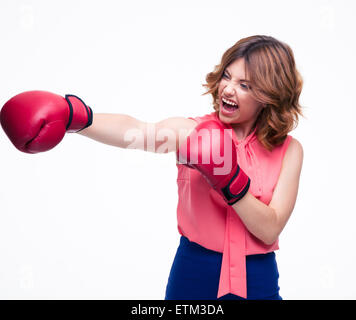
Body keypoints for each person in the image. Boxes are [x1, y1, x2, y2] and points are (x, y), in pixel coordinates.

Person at [0, 35, 303, 300]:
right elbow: (138, 132)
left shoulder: (289, 150)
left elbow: (270, 228)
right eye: (227, 76)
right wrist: (77, 117)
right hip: (194, 272)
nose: (228, 89)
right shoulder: (192, 133)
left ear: (268, 95)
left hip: (258, 279)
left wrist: (230, 182)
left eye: (245, 84)